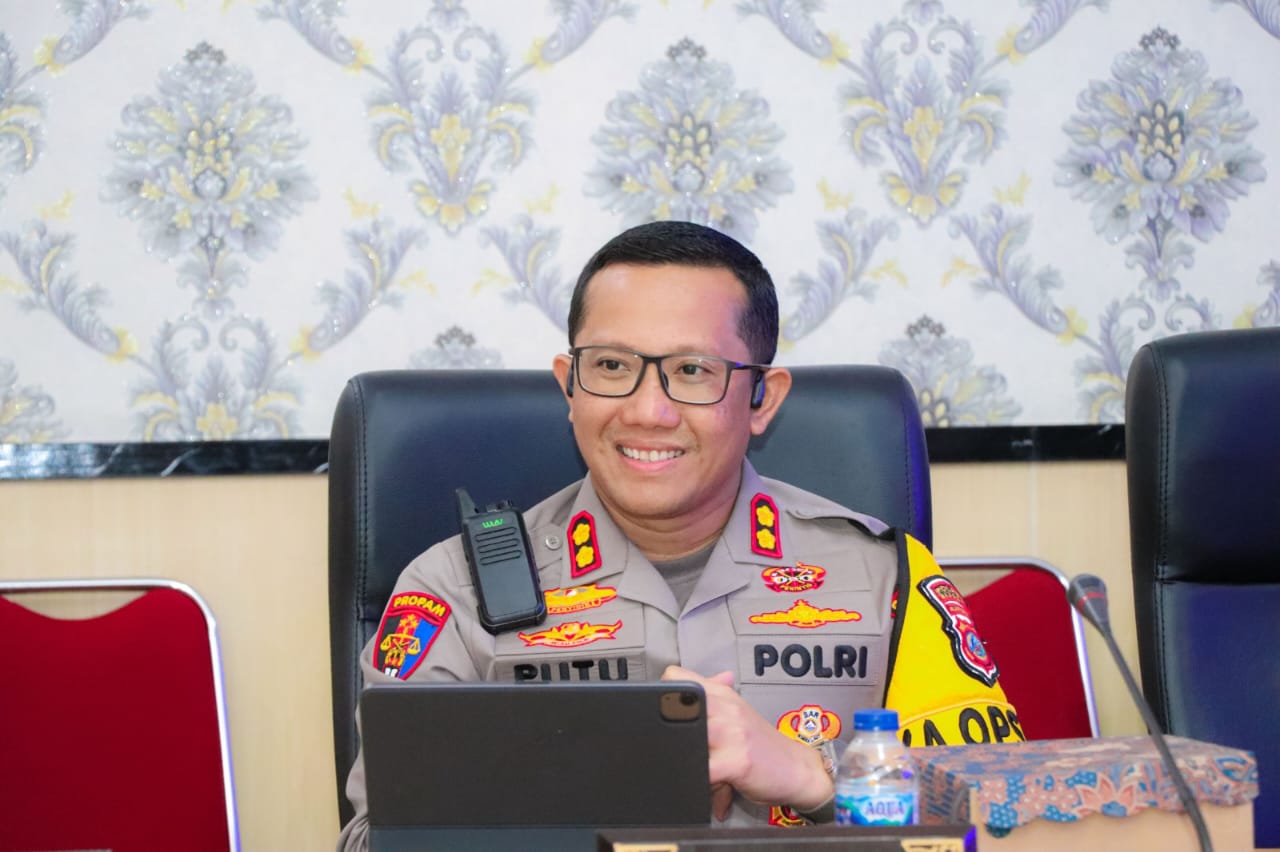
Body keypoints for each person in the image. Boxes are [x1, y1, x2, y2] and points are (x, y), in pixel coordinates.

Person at [337, 220, 1022, 849]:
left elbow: (1000, 823)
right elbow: (375, 840)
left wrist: (812, 776)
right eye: (611, 366)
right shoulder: (452, 591)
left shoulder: (886, 578)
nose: (648, 411)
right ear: (569, 386)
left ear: (763, 398)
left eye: (692, 371)